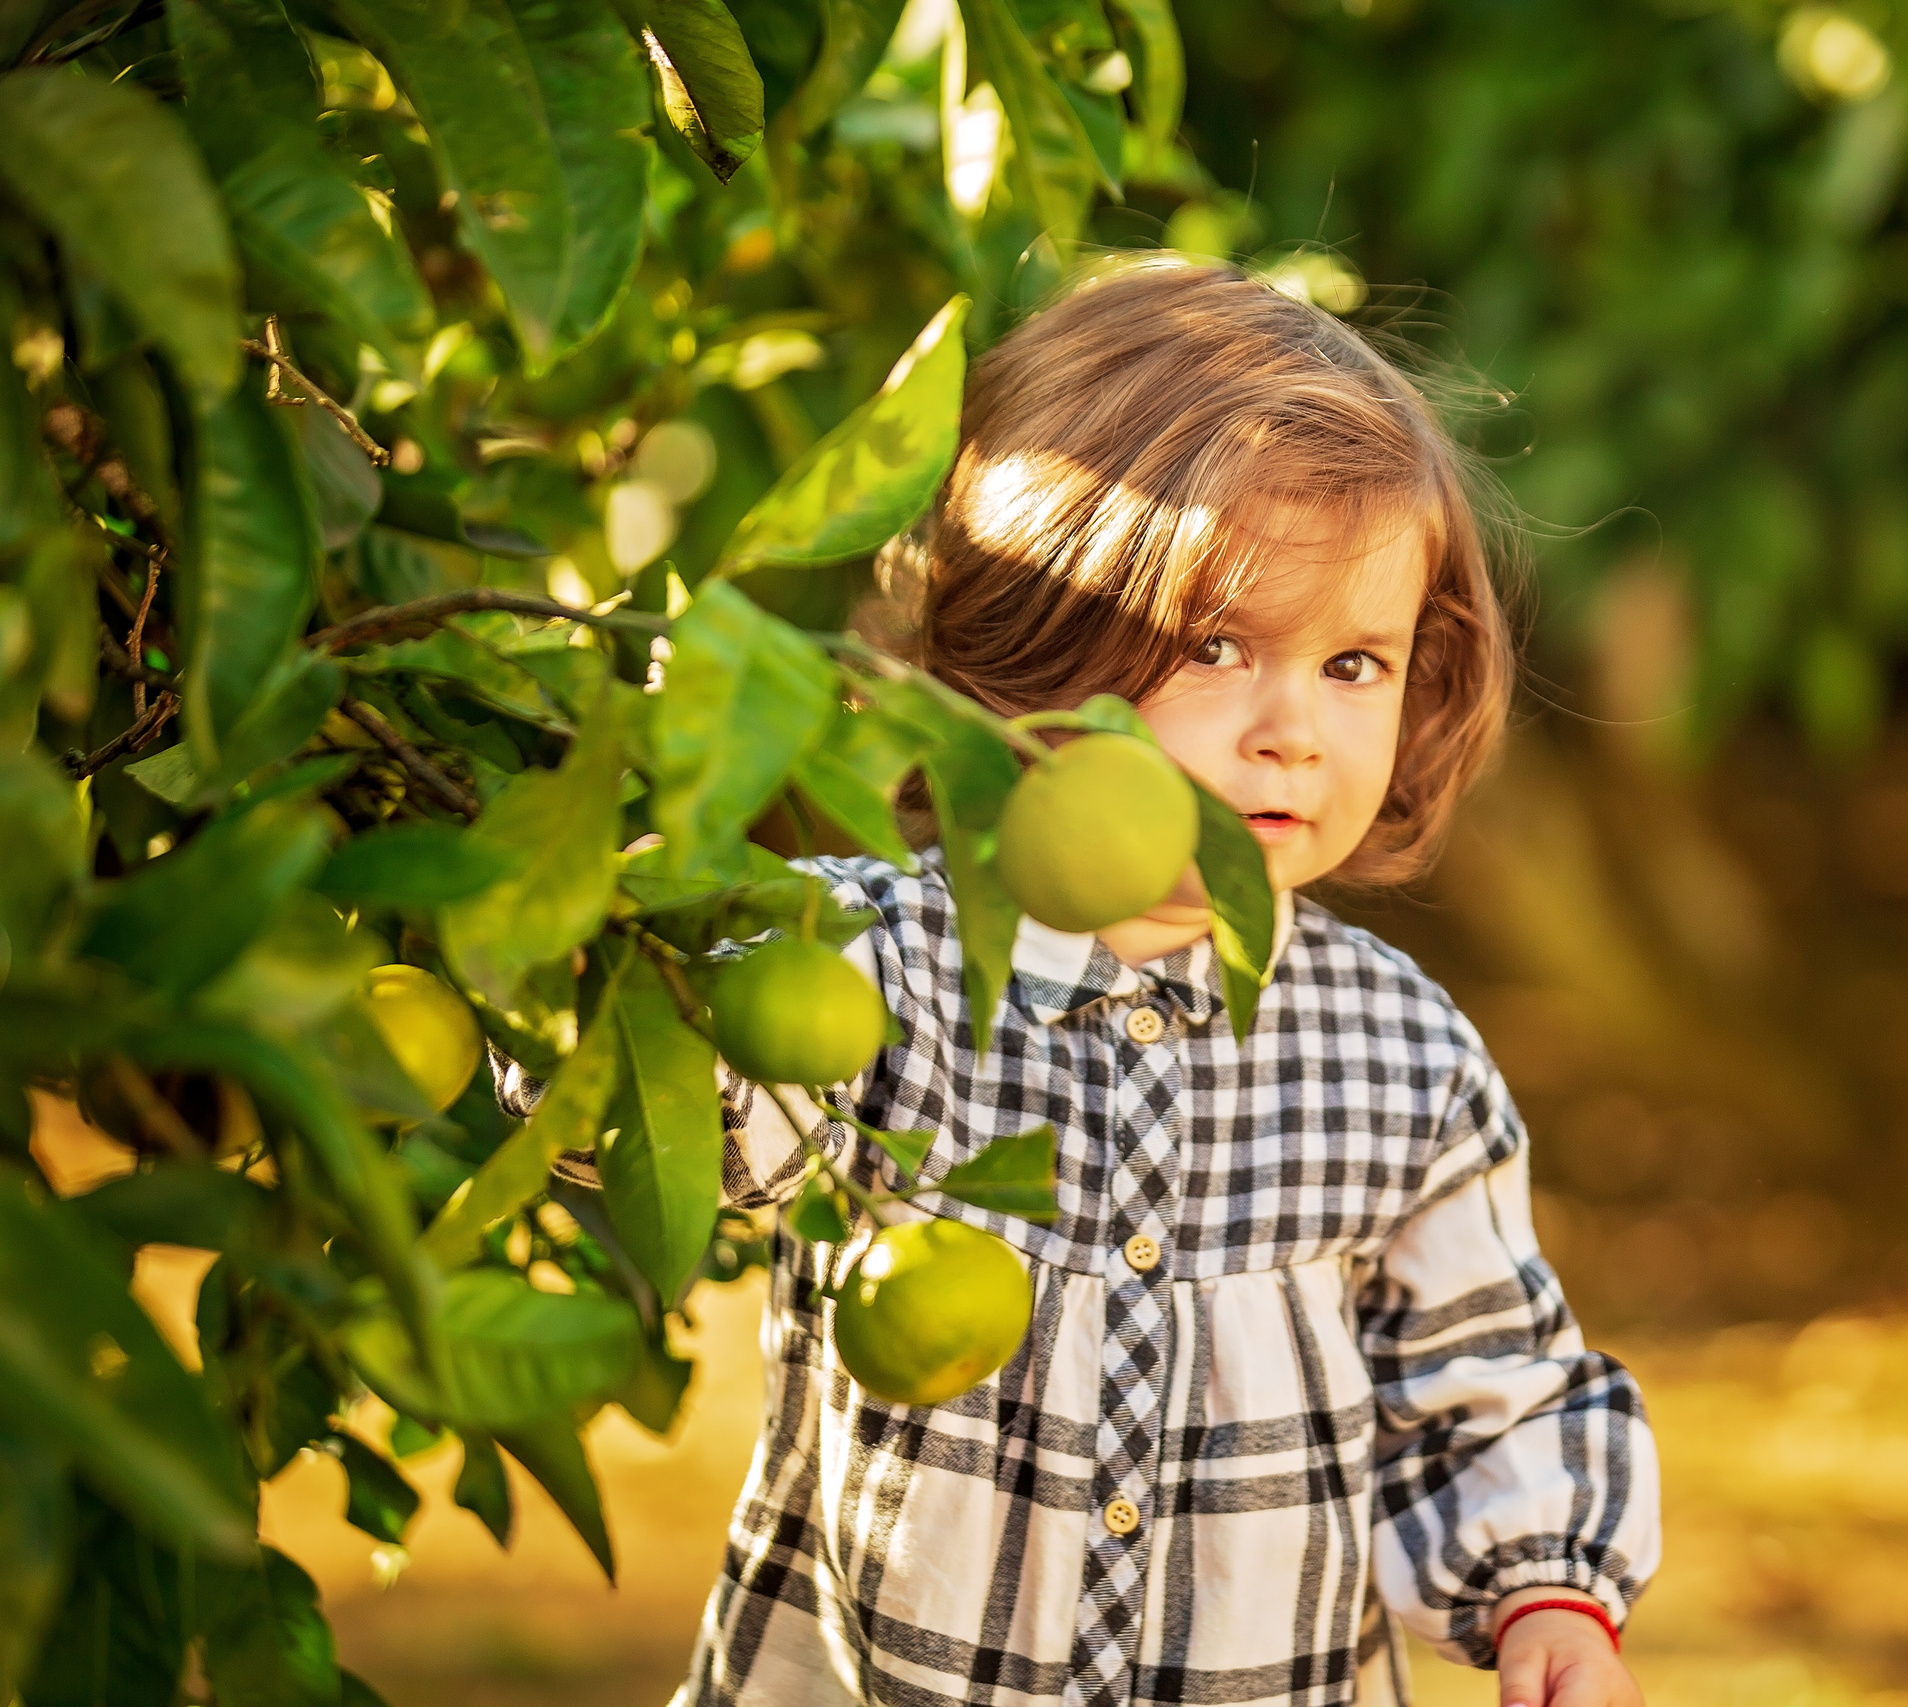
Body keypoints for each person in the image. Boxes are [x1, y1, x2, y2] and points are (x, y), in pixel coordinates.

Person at [555, 260, 1660, 1707]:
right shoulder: (877, 967)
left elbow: (1484, 1376)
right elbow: (649, 1134)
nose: (1293, 733)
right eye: (1216, 647)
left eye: (1352, 663)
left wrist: (1546, 1594)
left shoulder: (1398, 1057)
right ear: (1029, 649)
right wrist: (626, 919)